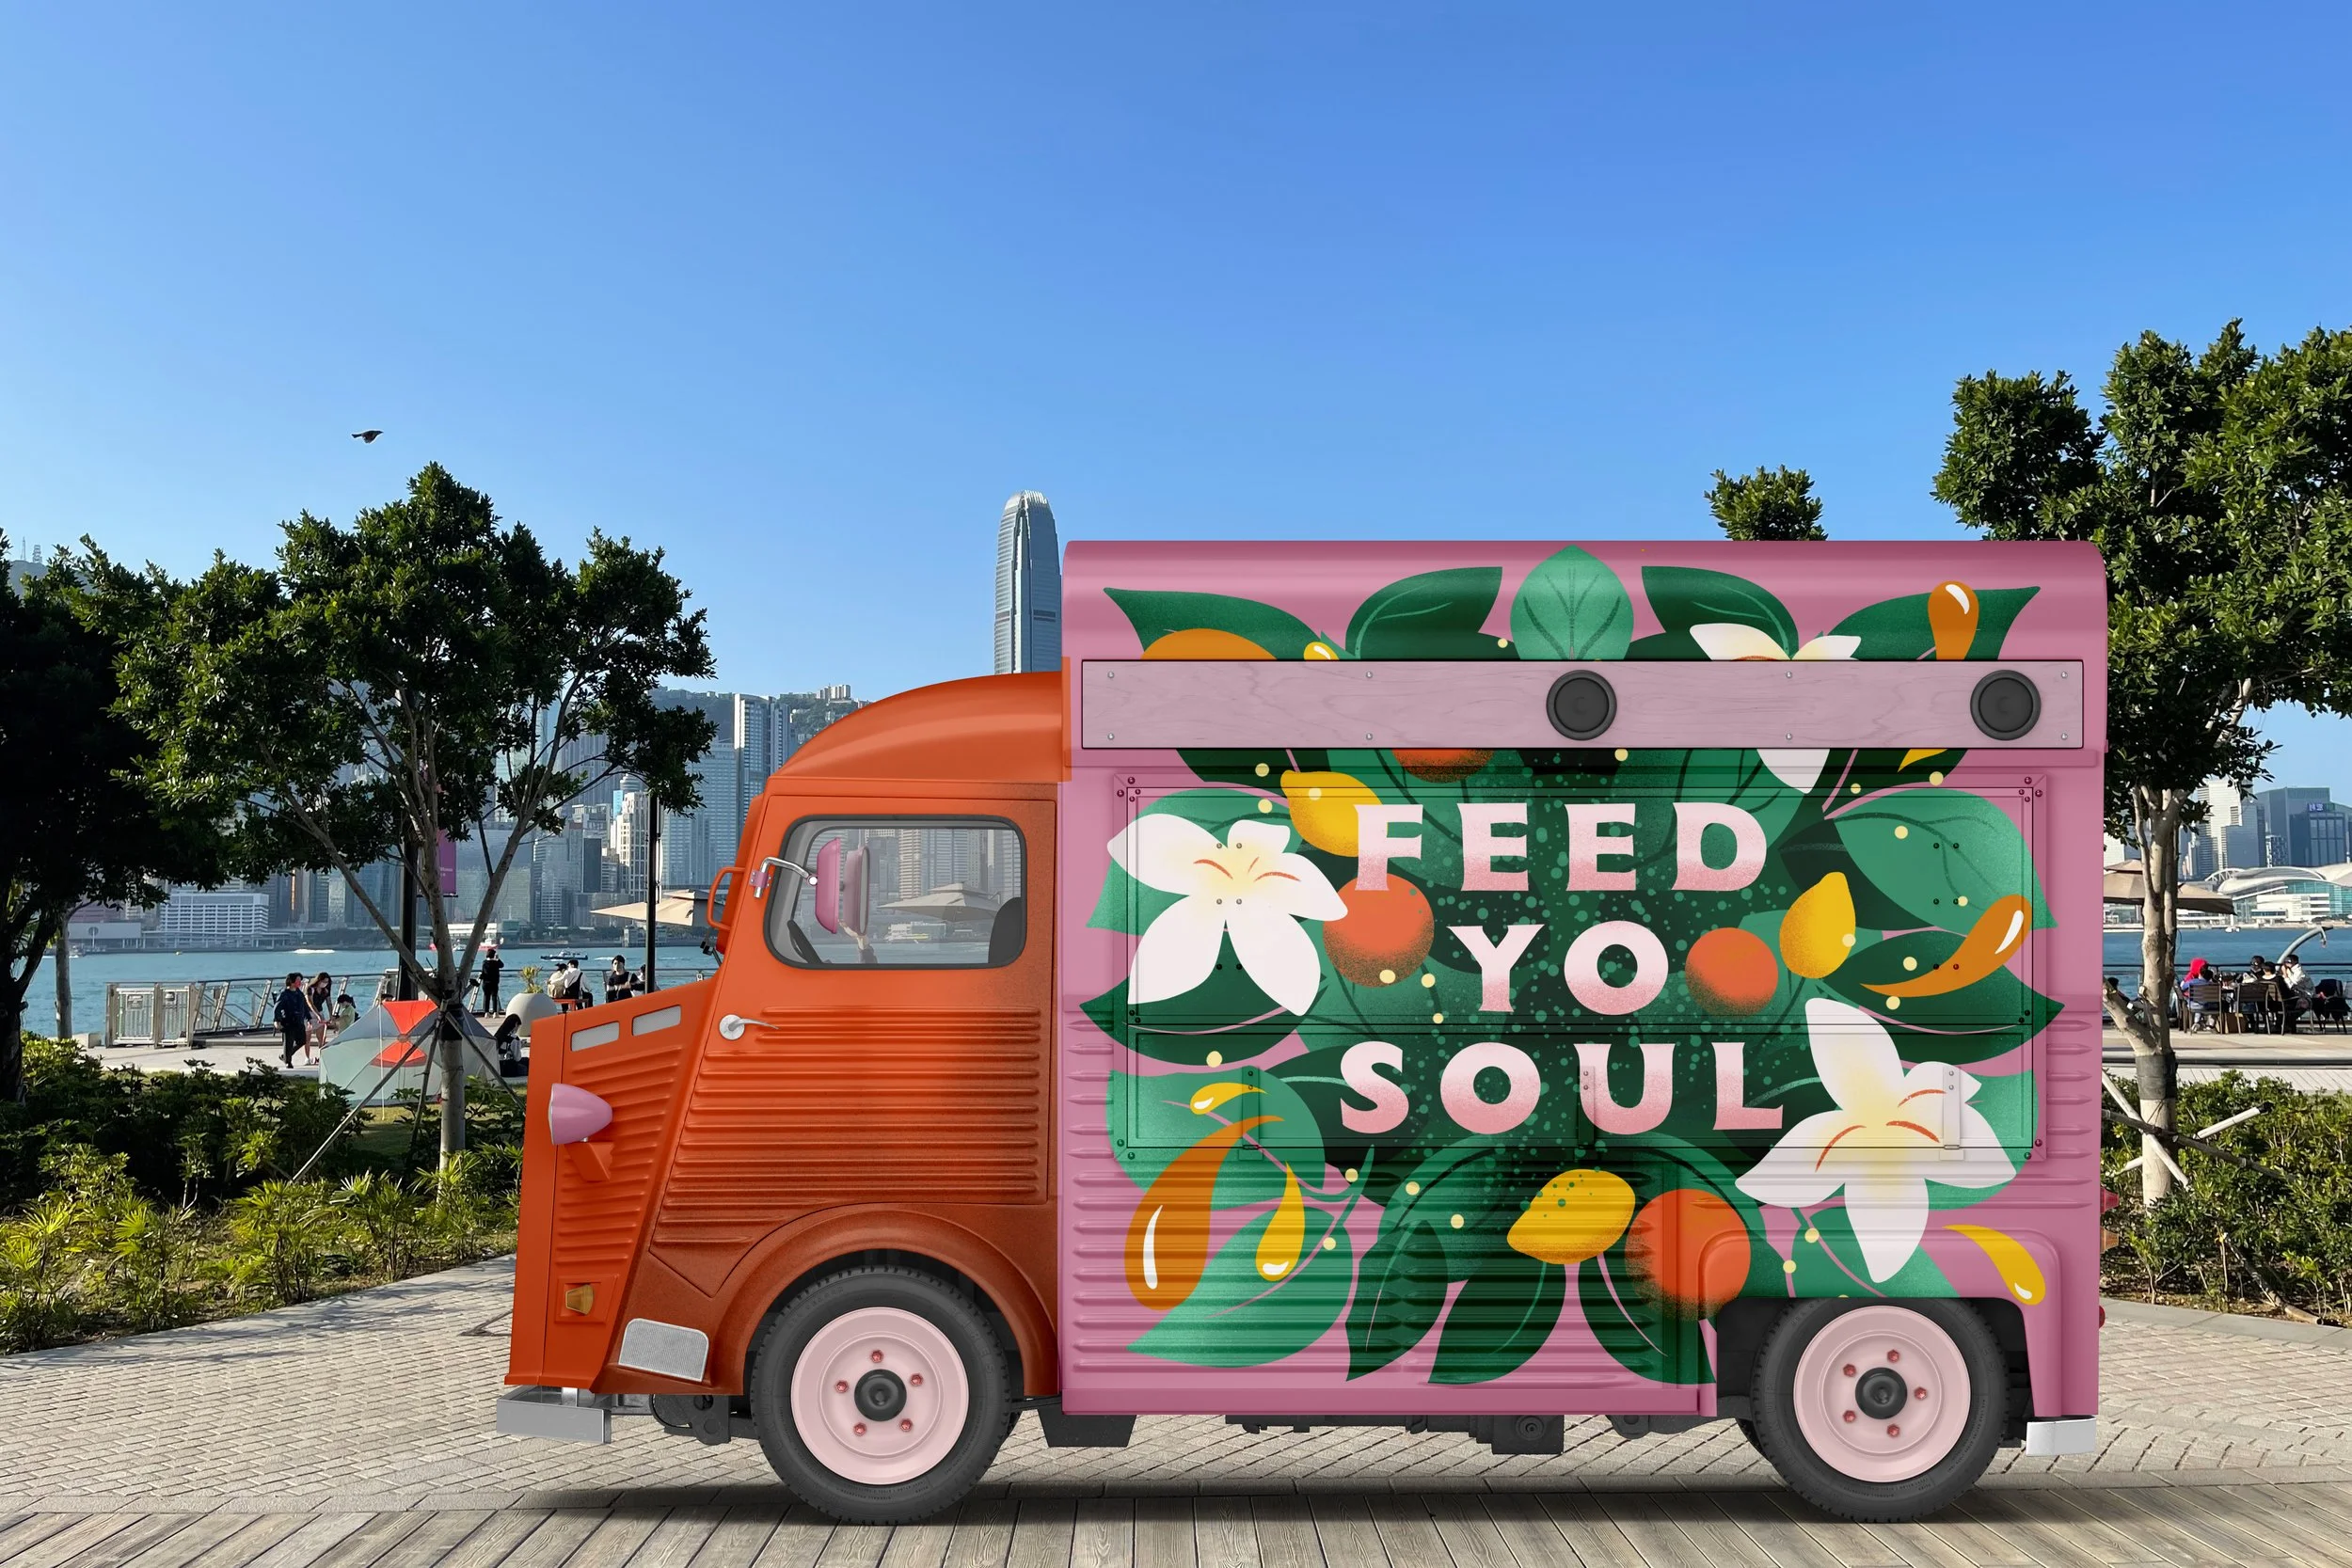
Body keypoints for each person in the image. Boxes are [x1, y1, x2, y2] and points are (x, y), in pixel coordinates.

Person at [271, 972, 313, 1069]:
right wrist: (277, 1020)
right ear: (291, 981)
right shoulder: (284, 994)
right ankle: (288, 1062)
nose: (300, 982)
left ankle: (286, 1056)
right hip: (288, 1022)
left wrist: (309, 1018)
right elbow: (277, 1008)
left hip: (299, 1021)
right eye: (298, 980)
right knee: (288, 1043)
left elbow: (305, 1006)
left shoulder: (299, 993)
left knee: (302, 1041)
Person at [303, 971, 333, 1064]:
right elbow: (310, 1003)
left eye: (327, 982)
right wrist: (317, 1015)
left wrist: (331, 1015)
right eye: (323, 981)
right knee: (307, 1038)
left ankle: (321, 1057)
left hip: (319, 1012)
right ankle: (307, 1058)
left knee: (321, 1037)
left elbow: (329, 1002)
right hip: (308, 1014)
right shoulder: (310, 988)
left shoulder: (326, 990)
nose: (325, 984)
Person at [480, 945, 504, 1013]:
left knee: (486, 997)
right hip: (494, 982)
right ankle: (494, 1012)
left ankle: (486, 1012)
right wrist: (498, 959)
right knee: (494, 997)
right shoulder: (496, 963)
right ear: (493, 955)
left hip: (486, 982)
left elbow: (483, 972)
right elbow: (502, 965)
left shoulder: (484, 963)